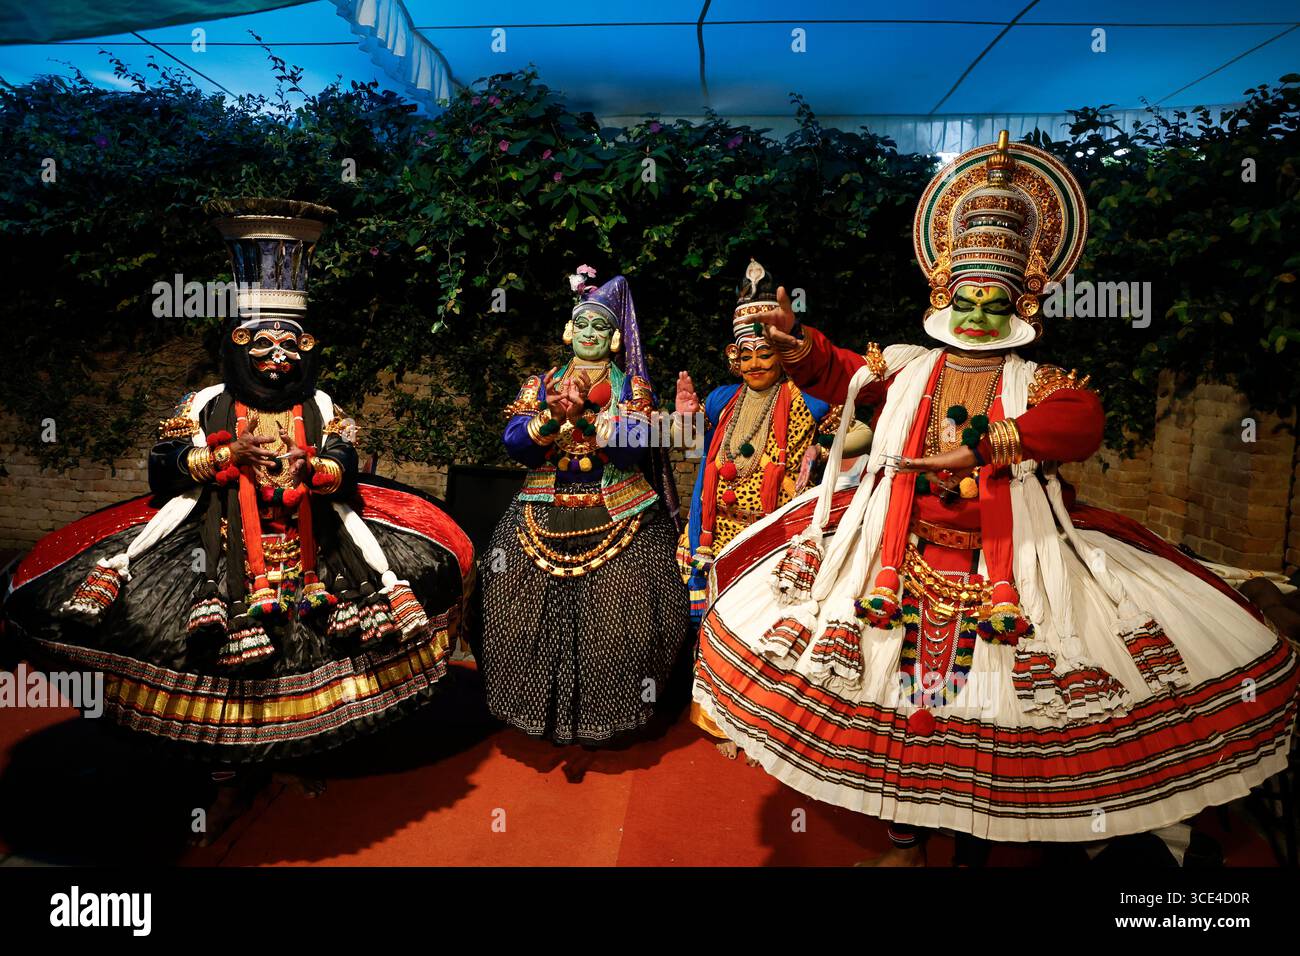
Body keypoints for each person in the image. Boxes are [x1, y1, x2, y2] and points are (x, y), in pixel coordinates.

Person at [691, 133, 1300, 864]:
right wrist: (799, 348)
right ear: (945, 293)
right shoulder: (914, 368)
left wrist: (984, 447)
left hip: (1014, 571)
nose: (978, 316)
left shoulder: (1038, 381)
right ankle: (909, 844)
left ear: (1021, 301)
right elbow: (846, 375)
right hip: (901, 561)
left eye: (995, 302)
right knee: (903, 714)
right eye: (969, 300)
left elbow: (1081, 422)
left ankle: (992, 838)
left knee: (993, 719)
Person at [3, 198, 475, 838]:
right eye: (261, 343)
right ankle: (224, 779)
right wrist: (226, 453)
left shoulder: (320, 402)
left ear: (304, 349)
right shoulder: (204, 401)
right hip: (216, 551)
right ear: (238, 344)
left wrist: (319, 468)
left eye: (287, 345)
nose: (274, 357)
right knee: (219, 673)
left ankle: (293, 756)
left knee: (306, 662)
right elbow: (164, 468)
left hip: (315, 548)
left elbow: (345, 458)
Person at [477, 268, 690, 751]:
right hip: (542, 510)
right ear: (569, 331)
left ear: (615, 339)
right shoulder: (542, 383)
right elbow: (516, 445)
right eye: (584, 326)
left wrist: (590, 419)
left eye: (601, 329)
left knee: (624, 622)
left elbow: (634, 448)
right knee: (515, 608)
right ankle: (542, 712)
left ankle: (604, 716)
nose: (591, 335)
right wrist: (552, 416)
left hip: (620, 513)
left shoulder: (632, 388)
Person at [674, 259, 864, 759]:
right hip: (717, 530)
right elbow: (700, 446)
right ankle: (716, 716)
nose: (757, 363)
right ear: (733, 358)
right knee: (712, 623)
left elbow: (848, 409)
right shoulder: (721, 400)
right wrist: (685, 420)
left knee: (764, 628)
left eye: (766, 352)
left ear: (781, 354)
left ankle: (760, 721)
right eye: (747, 354)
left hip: (773, 537)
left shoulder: (807, 398)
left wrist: (839, 435)